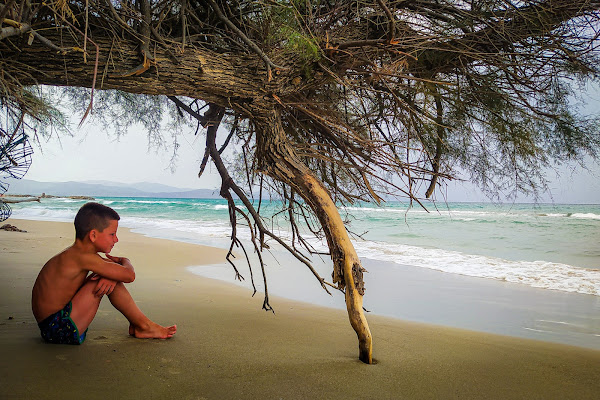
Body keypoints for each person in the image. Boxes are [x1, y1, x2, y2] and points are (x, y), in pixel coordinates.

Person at [31, 202, 176, 345]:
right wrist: (125, 260)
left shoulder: (78, 253)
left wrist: (113, 273)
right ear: (93, 235)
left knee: (108, 276)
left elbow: (115, 271)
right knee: (107, 277)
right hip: (58, 329)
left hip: (53, 325)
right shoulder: (83, 257)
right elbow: (129, 276)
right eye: (112, 234)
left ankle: (140, 325)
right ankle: (143, 326)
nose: (116, 239)